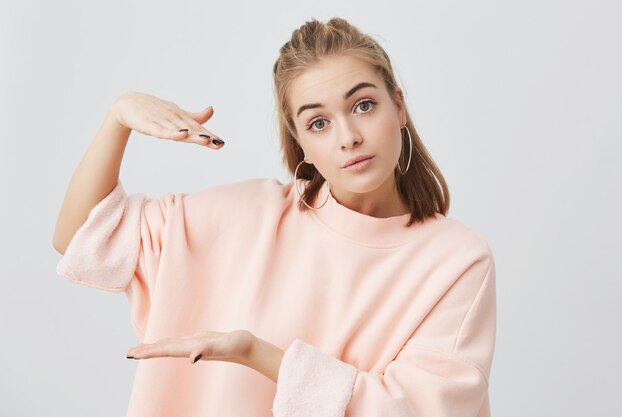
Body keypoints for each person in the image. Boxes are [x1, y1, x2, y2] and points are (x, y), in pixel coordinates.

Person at [52, 16, 496, 417]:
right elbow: (80, 236)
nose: (349, 138)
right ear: (300, 139)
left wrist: (259, 355)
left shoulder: (456, 260)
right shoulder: (243, 216)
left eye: (363, 105)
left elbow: (421, 410)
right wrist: (119, 117)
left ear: (398, 106)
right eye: (318, 122)